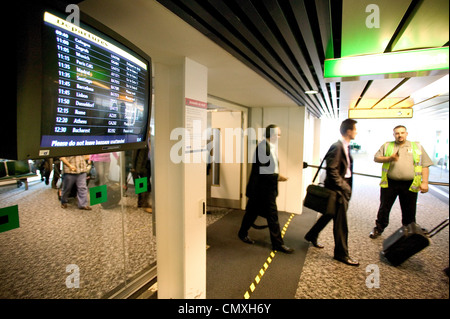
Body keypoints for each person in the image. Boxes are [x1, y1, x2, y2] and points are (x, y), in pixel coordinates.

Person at [304, 119, 359, 266]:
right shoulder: (338, 147)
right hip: (338, 190)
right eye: (355, 129)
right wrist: (344, 187)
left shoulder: (345, 146)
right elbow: (332, 170)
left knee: (329, 214)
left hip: (341, 188)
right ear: (348, 131)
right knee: (341, 224)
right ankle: (341, 254)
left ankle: (311, 234)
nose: (356, 132)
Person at [238, 124, 294, 254]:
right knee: (272, 217)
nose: (279, 137)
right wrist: (278, 177)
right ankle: (278, 244)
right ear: (273, 135)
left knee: (251, 213)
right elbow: (263, 170)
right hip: (262, 190)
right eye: (278, 134)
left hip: (263, 189)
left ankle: (242, 233)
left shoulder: (269, 147)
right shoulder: (262, 148)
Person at [369, 125, 433, 239]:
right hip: (390, 183)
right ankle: (379, 228)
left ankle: (409, 230)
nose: (400, 135)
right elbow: (376, 158)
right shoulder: (388, 145)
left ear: (406, 134)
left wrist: (425, 182)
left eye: (402, 133)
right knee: (384, 207)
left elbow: (425, 165)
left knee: (409, 209)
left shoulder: (416, 146)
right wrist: (389, 158)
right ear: (394, 135)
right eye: (397, 133)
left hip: (410, 184)